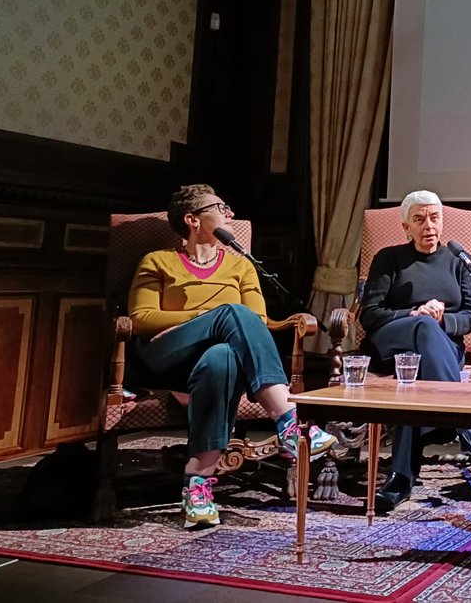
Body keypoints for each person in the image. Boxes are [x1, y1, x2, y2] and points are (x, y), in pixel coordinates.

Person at [128, 184, 337, 530]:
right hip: (164, 359)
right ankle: (288, 421)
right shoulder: (158, 261)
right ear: (192, 219)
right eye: (221, 207)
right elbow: (140, 319)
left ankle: (198, 489)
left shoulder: (241, 266)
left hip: (211, 364)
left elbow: (255, 323)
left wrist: (217, 323)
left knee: (222, 357)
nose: (230, 215)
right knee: (230, 314)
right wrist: (205, 318)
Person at [357, 190, 471, 512]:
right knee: (424, 327)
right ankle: (457, 420)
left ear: (442, 221)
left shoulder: (459, 260)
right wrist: (413, 315)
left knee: (411, 383)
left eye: (434, 217)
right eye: (419, 219)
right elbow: (370, 314)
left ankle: (400, 478)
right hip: (391, 341)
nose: (428, 225)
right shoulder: (388, 258)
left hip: (437, 351)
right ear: (406, 227)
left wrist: (442, 321)